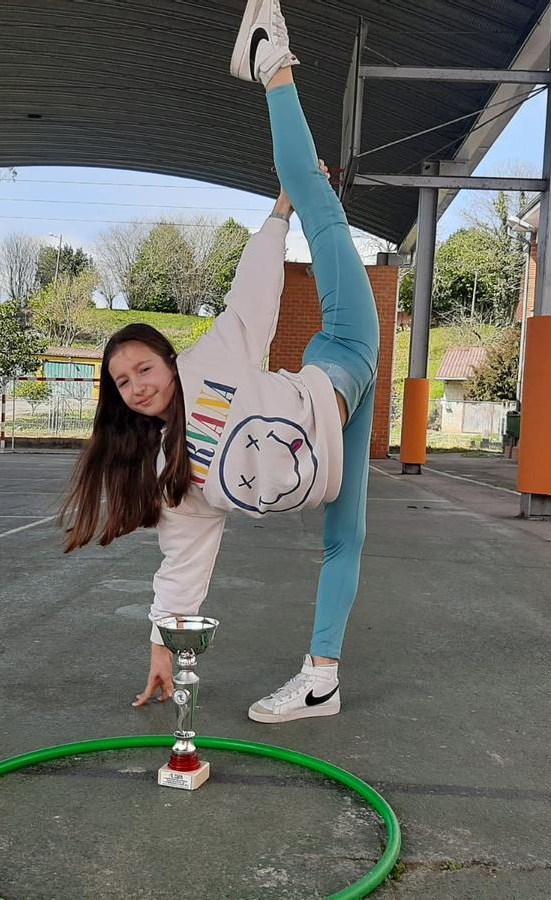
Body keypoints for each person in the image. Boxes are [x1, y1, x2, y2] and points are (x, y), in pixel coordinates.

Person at [60, 0, 379, 724]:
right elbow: (181, 568)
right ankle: (321, 680)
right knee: (346, 538)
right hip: (330, 427)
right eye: (122, 382)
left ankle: (273, 59)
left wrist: (280, 213)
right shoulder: (171, 473)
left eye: (143, 367)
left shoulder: (211, 365)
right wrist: (163, 646)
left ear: (168, 364)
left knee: (314, 196)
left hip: (345, 353)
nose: (137, 385)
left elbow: (254, 297)